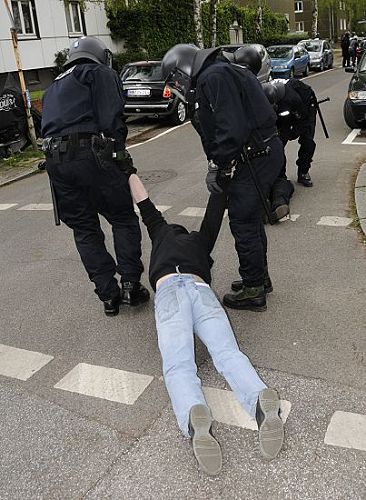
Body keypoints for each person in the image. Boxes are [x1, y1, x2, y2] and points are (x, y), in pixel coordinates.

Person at [127, 171, 284, 476]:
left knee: (179, 365)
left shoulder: (160, 233)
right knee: (228, 354)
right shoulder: (201, 241)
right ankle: (260, 398)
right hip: (201, 290)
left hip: (170, 290)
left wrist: (127, 171)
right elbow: (216, 207)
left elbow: (143, 200)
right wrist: (226, 175)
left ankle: (194, 412)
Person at [162, 44, 284, 312]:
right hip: (262, 151)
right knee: (250, 219)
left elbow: (231, 127)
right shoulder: (221, 72)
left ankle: (254, 289)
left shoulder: (213, 77)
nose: (176, 86)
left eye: (175, 79)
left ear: (182, 70)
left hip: (256, 155)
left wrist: (219, 164)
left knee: (243, 221)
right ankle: (259, 279)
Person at [41, 36, 149, 316]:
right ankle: (130, 285)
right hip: (92, 155)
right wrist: (122, 160)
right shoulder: (98, 72)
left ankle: (108, 296)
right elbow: (112, 119)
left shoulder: (53, 87)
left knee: (84, 229)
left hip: (56, 160)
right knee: (123, 218)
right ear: (100, 55)